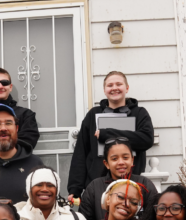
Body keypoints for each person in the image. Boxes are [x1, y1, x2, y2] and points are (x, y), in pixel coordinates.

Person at [66, 71, 154, 203]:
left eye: (119, 84)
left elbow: (146, 139)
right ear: (104, 90)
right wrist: (75, 188)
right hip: (97, 184)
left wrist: (107, 134)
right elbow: (81, 152)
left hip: (130, 182)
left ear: (127, 88)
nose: (114, 88)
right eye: (110, 85)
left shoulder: (139, 113)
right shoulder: (93, 114)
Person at [74, 136, 158, 220]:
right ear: (106, 164)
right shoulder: (94, 187)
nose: (121, 162)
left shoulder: (145, 185)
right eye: (114, 159)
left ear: (132, 160)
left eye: (125, 157)